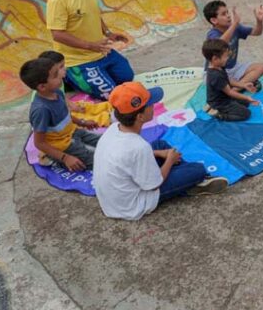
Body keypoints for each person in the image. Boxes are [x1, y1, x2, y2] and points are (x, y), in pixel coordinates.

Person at [93, 82, 229, 221]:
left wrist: (159, 153)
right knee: (197, 170)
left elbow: (128, 159)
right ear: (140, 117)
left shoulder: (114, 128)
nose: (154, 106)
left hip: (113, 201)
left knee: (160, 145)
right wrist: (169, 160)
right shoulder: (138, 147)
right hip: (131, 206)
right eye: (150, 104)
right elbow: (154, 185)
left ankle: (187, 180)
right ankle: (195, 181)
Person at [46, 0, 134, 100]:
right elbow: (57, 34)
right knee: (113, 96)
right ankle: (69, 76)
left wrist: (108, 33)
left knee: (127, 77)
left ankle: (83, 78)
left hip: (101, 52)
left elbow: (94, 13)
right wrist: (90, 46)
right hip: (79, 61)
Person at [20, 56, 102, 172]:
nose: (61, 75)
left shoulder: (57, 92)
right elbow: (39, 143)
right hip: (60, 145)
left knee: (105, 142)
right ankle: (51, 158)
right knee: (99, 162)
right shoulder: (41, 110)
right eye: (55, 75)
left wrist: (82, 122)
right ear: (42, 86)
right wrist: (65, 158)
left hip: (72, 132)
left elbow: (65, 115)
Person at [203, 0, 263, 93]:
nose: (228, 16)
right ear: (214, 20)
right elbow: (219, 44)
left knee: (261, 67)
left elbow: (257, 32)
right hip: (216, 73)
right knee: (217, 83)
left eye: (227, 12)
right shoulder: (212, 34)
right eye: (223, 14)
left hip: (233, 68)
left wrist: (259, 21)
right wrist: (234, 24)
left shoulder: (235, 27)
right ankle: (238, 86)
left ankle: (234, 90)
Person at [38, 50, 112, 127]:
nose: (65, 68)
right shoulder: (46, 88)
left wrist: (72, 105)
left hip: (63, 107)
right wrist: (71, 109)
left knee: (83, 105)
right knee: (77, 117)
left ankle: (110, 106)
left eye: (64, 65)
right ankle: (108, 118)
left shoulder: (57, 81)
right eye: (61, 67)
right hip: (58, 116)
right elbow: (56, 112)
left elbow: (61, 96)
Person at [202, 39, 257, 121]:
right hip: (219, 103)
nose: (227, 58)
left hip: (224, 97)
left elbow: (228, 80)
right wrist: (246, 97)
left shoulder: (219, 66)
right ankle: (219, 115)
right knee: (246, 113)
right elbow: (230, 92)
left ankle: (211, 106)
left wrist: (243, 85)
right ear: (215, 59)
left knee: (245, 104)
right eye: (226, 56)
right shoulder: (215, 75)